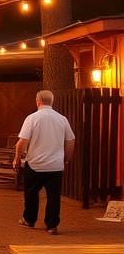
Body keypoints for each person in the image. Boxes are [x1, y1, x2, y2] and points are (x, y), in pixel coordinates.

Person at [13, 89, 75, 235]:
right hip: (55, 165)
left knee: (31, 193)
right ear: (52, 102)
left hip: (35, 164)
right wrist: (65, 159)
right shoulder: (62, 119)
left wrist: (17, 159)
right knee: (54, 195)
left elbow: (22, 142)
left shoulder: (32, 118)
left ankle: (29, 220)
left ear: (38, 101)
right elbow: (71, 141)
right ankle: (52, 225)